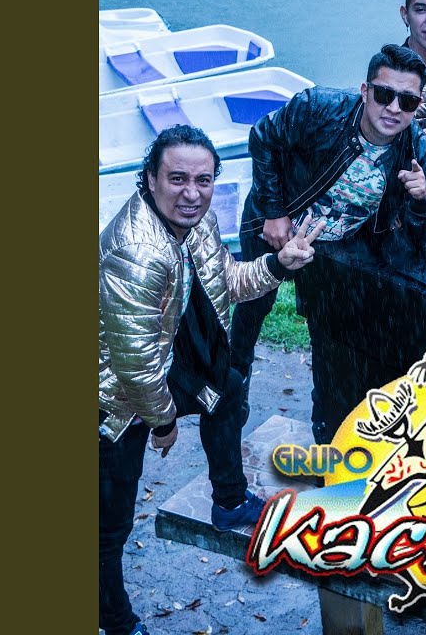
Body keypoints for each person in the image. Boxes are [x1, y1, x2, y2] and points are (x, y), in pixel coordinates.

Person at [98, 125, 324, 635]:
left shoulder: (197, 224)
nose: (192, 193)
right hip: (112, 396)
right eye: (177, 179)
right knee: (108, 527)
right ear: (150, 179)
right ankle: (115, 621)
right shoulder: (136, 252)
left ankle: (229, 501)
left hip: (159, 367)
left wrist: (278, 264)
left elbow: (231, 281)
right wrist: (163, 424)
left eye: (203, 180)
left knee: (227, 387)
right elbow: (134, 366)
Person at [229, 44, 426, 444]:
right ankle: (230, 395)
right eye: (384, 94)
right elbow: (263, 136)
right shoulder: (318, 108)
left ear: (417, 106)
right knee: (252, 310)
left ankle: (326, 430)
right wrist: (274, 212)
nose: (393, 108)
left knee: (331, 333)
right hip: (277, 225)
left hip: (336, 248)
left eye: (407, 101)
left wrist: (420, 201)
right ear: (364, 90)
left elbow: (422, 245)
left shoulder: (418, 152)